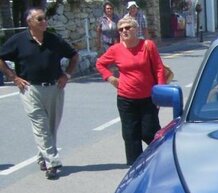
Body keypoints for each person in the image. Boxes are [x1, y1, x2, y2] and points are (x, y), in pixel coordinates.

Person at [0, 7, 78, 180]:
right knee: (41, 125)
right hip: (30, 89)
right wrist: (13, 77)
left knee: (51, 127)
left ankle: (42, 158)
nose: (44, 22)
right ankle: (53, 162)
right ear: (30, 22)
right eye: (40, 19)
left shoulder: (54, 40)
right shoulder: (18, 41)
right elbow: (1, 57)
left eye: (45, 18)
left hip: (54, 88)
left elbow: (73, 55)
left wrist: (67, 75)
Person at [96, 17, 166, 166]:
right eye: (121, 29)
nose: (124, 31)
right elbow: (100, 63)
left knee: (149, 132)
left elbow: (159, 69)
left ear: (136, 29)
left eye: (128, 27)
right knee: (130, 135)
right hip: (126, 99)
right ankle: (135, 168)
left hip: (148, 98)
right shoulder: (115, 49)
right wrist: (110, 78)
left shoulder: (147, 45)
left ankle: (162, 160)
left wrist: (161, 93)